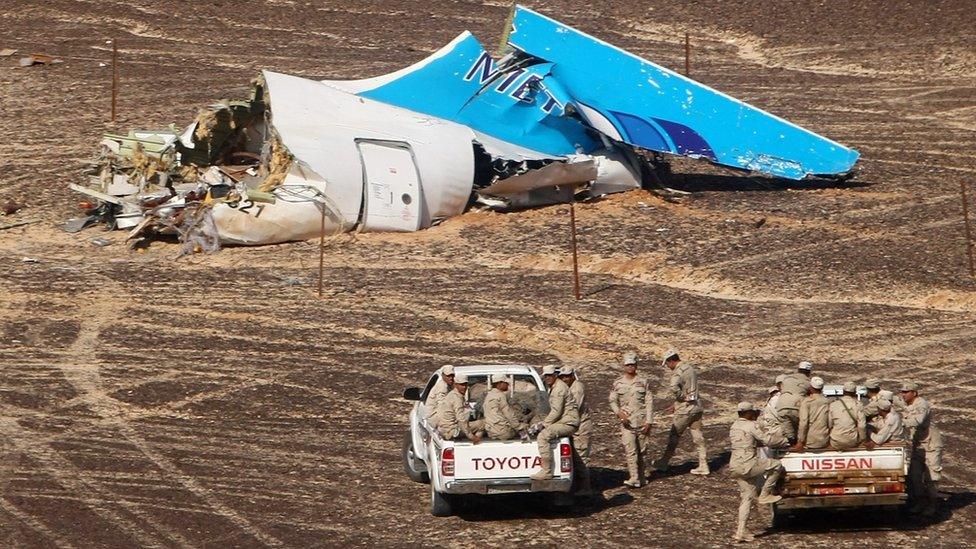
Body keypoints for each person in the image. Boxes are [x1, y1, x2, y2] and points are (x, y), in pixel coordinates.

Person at [729, 401, 783, 543]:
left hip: (735, 466)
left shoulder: (734, 426)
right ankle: (765, 494)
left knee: (746, 499)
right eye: (753, 412)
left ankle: (740, 532)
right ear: (748, 413)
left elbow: (749, 441)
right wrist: (783, 441)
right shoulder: (751, 425)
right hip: (749, 465)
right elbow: (767, 440)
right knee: (776, 465)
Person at [654, 349, 709, 475]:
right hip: (697, 407)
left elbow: (673, 387)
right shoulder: (690, 368)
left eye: (667, 364)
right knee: (698, 437)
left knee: (674, 435)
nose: (668, 367)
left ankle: (664, 462)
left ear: (671, 360)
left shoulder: (678, 372)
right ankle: (704, 464)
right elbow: (690, 387)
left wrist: (680, 399)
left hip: (685, 410)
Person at [609, 351, 653, 488]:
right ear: (624, 366)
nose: (630, 368)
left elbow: (649, 402)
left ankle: (641, 477)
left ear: (636, 366)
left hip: (641, 421)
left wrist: (649, 421)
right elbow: (612, 401)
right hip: (627, 423)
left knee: (642, 451)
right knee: (630, 450)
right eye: (628, 365)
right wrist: (619, 413)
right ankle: (633, 477)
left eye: (632, 365)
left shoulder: (643, 382)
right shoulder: (618, 383)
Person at [900, 382, 944, 516]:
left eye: (906, 392)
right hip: (918, 445)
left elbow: (917, 421)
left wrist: (898, 423)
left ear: (914, 393)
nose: (903, 394)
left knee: (931, 477)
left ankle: (932, 504)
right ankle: (920, 502)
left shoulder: (922, 405)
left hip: (930, 445)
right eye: (902, 392)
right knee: (915, 476)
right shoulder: (908, 405)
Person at [530, 365, 580, 480]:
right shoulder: (552, 387)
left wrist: (543, 424)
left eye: (550, 376)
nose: (547, 378)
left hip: (568, 422)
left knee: (543, 436)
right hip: (562, 421)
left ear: (555, 375)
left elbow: (556, 412)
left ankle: (547, 471)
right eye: (546, 376)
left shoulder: (559, 389)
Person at [560, 366, 593, 496]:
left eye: (567, 376)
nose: (565, 379)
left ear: (572, 375)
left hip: (581, 427)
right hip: (574, 426)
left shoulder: (577, 388)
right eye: (562, 377)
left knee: (581, 457)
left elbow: (574, 407)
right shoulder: (569, 388)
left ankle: (585, 487)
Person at [434, 373, 484, 442]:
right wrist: (471, 436)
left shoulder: (454, 395)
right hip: (451, 431)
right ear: (455, 385)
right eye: (461, 385)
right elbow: (461, 419)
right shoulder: (456, 398)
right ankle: (476, 441)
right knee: (483, 423)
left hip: (447, 428)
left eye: (465, 384)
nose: (464, 387)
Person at [483, 374, 527, 440]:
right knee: (526, 426)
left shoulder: (488, 396)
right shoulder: (500, 396)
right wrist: (519, 427)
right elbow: (508, 414)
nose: (508, 385)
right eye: (506, 383)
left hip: (491, 432)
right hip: (503, 432)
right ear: (499, 384)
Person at [793, 376, 830, 451]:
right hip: (825, 440)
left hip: (811, 441)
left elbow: (804, 423)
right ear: (822, 388)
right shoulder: (827, 401)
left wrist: (800, 441)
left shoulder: (807, 402)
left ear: (811, 388)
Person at [827, 381, 866, 450]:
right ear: (855, 393)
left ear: (843, 391)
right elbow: (862, 426)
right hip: (852, 441)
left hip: (836, 441)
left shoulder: (833, 405)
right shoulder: (858, 405)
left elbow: (829, 424)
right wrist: (863, 440)